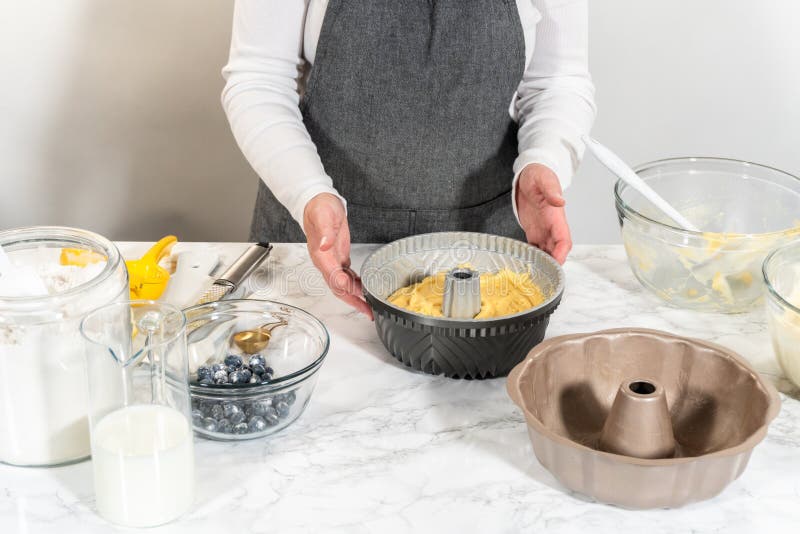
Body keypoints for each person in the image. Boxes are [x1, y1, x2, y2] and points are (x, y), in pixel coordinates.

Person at [222, 0, 596, 316]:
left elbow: (558, 80)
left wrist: (545, 160)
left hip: (486, 257)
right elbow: (259, 78)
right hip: (321, 245)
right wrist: (309, 193)